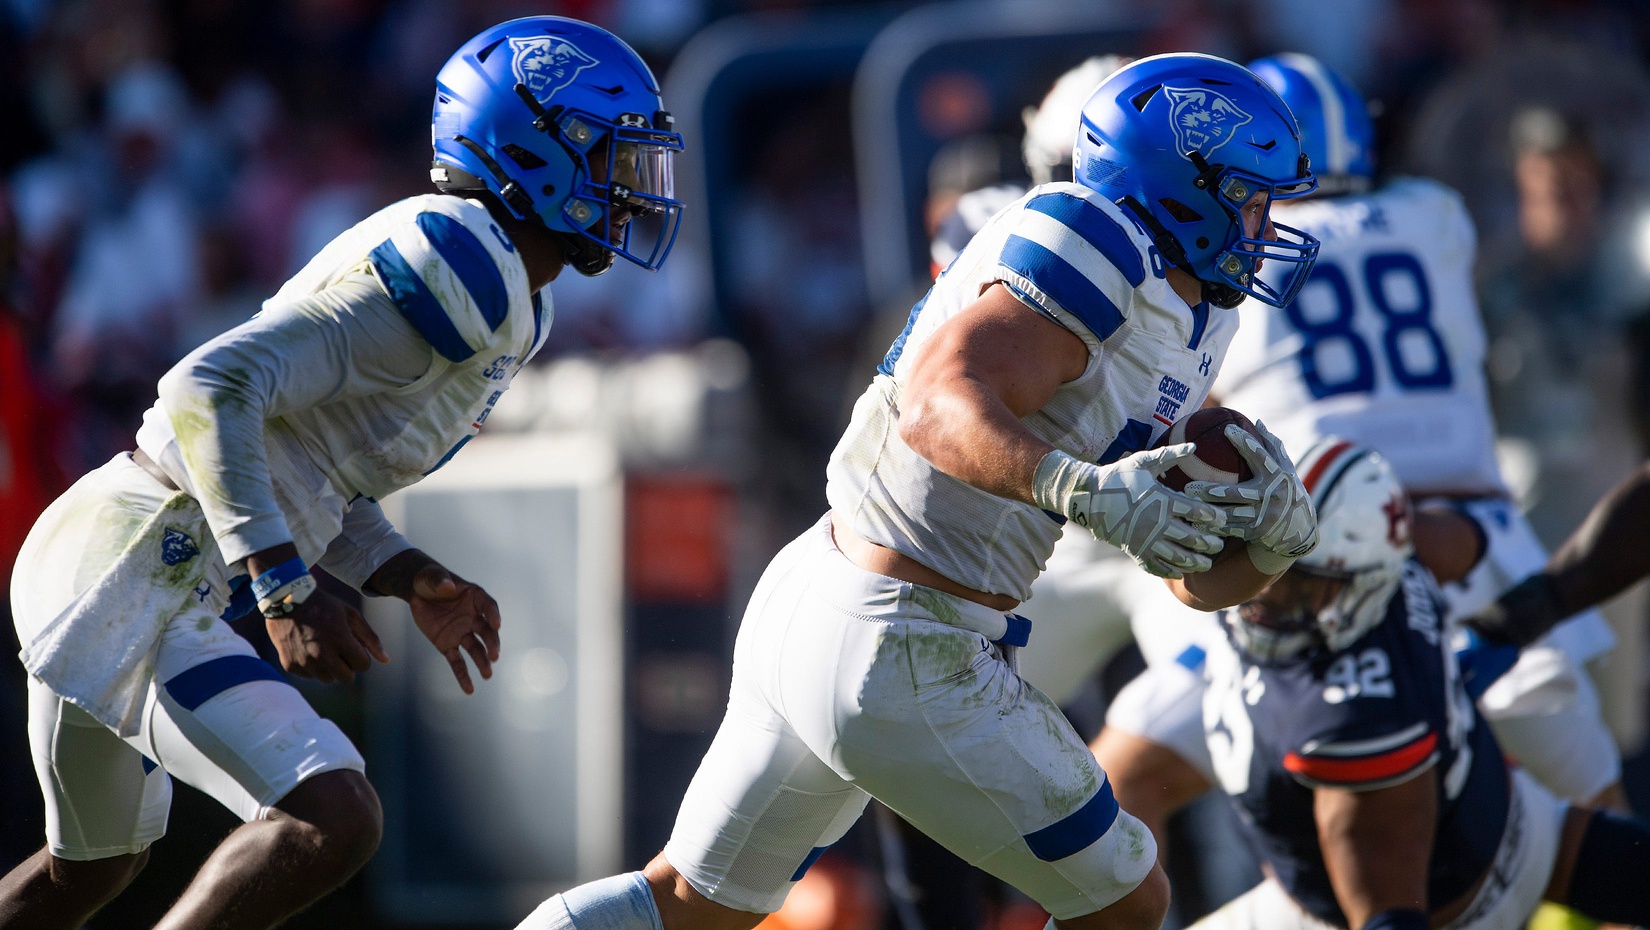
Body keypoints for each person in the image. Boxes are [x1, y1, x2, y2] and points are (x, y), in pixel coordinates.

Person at [514, 52, 1322, 930]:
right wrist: (1080, 491)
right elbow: (938, 407)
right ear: (1181, 186)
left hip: (838, 602)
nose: (1263, 221)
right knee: (1128, 900)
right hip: (905, 632)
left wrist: (1267, 548)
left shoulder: (1196, 309)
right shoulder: (1099, 240)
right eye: (1247, 195)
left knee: (681, 906)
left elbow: (1184, 574)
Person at [0, 16, 685, 930]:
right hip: (135, 561)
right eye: (611, 157)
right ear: (536, 151)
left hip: (132, 556)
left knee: (85, 871)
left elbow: (315, 465)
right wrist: (283, 588)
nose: (630, 187)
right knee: (330, 814)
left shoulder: (514, 293)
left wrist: (402, 573)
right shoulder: (457, 262)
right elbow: (209, 386)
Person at [1092, 55, 1629, 863]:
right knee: (1602, 826)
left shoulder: (1243, 253)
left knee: (1122, 782)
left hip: (1317, 560)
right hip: (1480, 548)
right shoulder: (1434, 214)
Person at [1189, 438, 1650, 930]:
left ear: (1365, 579)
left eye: (1297, 583)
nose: (1264, 600)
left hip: (1410, 909)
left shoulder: (1353, 721)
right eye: (1261, 565)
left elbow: (1389, 916)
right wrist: (1515, 617)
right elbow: (1470, 540)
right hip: (1519, 826)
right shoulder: (1405, 546)